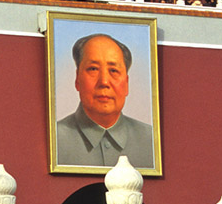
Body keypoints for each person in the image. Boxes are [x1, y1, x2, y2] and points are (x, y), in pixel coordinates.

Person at [56, 34, 154, 168]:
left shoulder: (151, 140)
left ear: (126, 84)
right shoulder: (55, 139)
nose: (104, 82)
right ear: (77, 79)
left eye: (113, 70)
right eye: (93, 69)